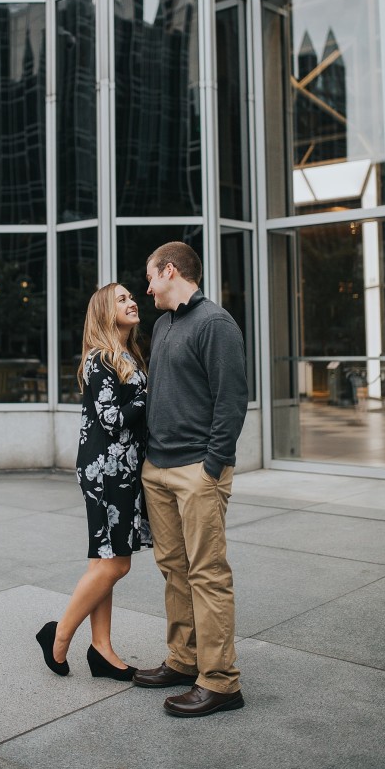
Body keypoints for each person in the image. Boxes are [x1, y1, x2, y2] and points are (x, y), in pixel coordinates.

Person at [132, 242, 248, 718]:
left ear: (170, 271)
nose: (147, 286)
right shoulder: (162, 325)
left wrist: (212, 465)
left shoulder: (215, 324)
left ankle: (220, 681)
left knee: (207, 574)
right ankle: (184, 660)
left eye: (150, 277)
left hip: (197, 471)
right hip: (158, 470)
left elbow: (231, 400)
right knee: (174, 570)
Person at [36, 283, 151, 680]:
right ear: (104, 312)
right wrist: (152, 394)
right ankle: (59, 636)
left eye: (131, 296)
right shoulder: (100, 359)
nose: (132, 301)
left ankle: (101, 649)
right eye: (122, 299)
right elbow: (112, 419)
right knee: (117, 565)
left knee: (104, 562)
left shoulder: (127, 355)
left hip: (121, 469)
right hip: (107, 472)